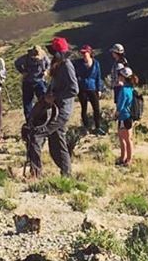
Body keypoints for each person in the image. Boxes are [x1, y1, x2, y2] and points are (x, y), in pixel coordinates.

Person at [26, 36, 79, 177]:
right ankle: (66, 175)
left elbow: (74, 89)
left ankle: (35, 174)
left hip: (61, 111)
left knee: (36, 135)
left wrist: (55, 96)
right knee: (57, 144)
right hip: (58, 110)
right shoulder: (60, 65)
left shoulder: (66, 65)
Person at [15, 45, 50, 120]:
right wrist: (23, 71)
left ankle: (44, 119)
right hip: (28, 82)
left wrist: (46, 71)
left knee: (44, 101)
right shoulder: (26, 58)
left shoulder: (44, 57)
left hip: (40, 81)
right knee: (28, 103)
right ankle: (29, 121)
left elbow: (48, 64)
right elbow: (17, 63)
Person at [74, 45, 104, 133]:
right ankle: (86, 127)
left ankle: (98, 127)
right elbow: (75, 75)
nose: (83, 54)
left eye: (85, 52)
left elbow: (98, 76)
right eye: (82, 53)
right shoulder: (78, 63)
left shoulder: (96, 63)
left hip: (93, 87)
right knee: (84, 108)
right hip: (82, 88)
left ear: (89, 52)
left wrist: (99, 89)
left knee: (96, 108)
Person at [115, 67, 137, 166]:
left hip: (124, 116)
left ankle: (127, 159)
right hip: (128, 115)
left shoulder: (124, 90)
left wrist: (116, 113)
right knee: (126, 138)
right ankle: (125, 158)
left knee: (125, 139)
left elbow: (120, 105)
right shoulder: (130, 88)